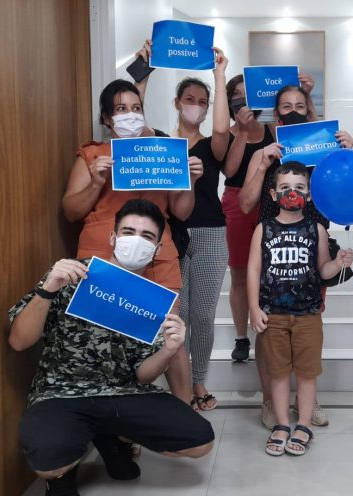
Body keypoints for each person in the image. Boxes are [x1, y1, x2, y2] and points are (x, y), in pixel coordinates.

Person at [10, 199, 215, 496]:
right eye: (128, 232)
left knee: (200, 441)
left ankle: (110, 436)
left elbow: (143, 375)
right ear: (113, 238)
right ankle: (62, 478)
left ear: (157, 249)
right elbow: (19, 341)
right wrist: (48, 289)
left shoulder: (152, 301)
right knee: (48, 461)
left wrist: (168, 349)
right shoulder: (72, 274)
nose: (136, 241)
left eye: (147, 236)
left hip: (124, 392)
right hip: (61, 392)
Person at [61, 79, 203, 405]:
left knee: (171, 334)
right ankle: (110, 416)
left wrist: (191, 181)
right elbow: (70, 211)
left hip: (157, 254)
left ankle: (185, 415)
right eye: (121, 109)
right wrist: (95, 181)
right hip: (102, 254)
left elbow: (181, 212)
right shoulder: (93, 155)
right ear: (107, 117)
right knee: (103, 335)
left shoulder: (163, 153)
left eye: (136, 108)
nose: (130, 115)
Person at [240, 84, 353, 429]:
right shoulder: (265, 153)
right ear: (277, 115)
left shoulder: (326, 152)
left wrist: (347, 154)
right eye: (286, 106)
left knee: (308, 323)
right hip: (272, 245)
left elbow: (347, 193)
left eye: (300, 106)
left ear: (309, 111)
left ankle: (307, 398)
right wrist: (262, 163)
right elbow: (245, 204)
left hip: (312, 243)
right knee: (270, 333)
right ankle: (269, 399)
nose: (293, 111)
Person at [135, 41, 231, 411]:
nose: (195, 105)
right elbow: (134, 126)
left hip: (210, 233)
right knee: (176, 316)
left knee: (202, 316)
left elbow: (222, 129)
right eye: (189, 99)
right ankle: (178, 386)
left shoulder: (212, 147)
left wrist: (219, 75)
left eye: (202, 101)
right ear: (177, 103)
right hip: (168, 236)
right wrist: (144, 70)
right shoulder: (160, 142)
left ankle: (199, 380)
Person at [247, 161, 353, 456]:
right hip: (274, 315)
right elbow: (253, 270)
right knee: (278, 373)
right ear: (272, 194)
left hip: (308, 315)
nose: (291, 193)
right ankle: (282, 424)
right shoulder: (263, 229)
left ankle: (303, 424)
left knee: (307, 374)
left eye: (299, 188)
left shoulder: (316, 229)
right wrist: (254, 308)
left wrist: (339, 263)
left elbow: (323, 270)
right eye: (284, 188)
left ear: (309, 194)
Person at [222, 72, 314, 363]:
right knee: (242, 272)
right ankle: (243, 336)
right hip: (248, 202)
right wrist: (245, 134)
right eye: (237, 96)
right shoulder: (236, 136)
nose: (244, 100)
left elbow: (308, 137)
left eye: (248, 94)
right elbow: (231, 174)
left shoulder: (280, 131)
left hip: (285, 211)